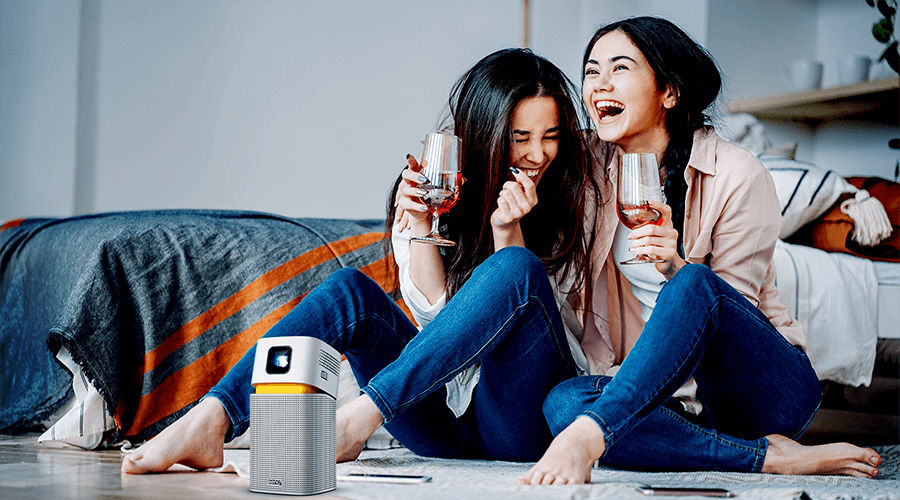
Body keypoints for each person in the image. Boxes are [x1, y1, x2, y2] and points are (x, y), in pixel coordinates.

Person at [121, 48, 599, 473]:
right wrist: (419, 230)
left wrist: (507, 234)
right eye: (521, 137)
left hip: (520, 421)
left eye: (550, 135)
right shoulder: (435, 190)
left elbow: (526, 324)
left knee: (516, 269)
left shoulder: (569, 199)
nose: (538, 153)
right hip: (440, 420)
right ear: (484, 137)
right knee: (349, 291)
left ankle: (359, 418)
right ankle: (211, 418)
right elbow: (437, 322)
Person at [517, 16, 882, 485]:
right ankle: (766, 458)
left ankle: (592, 437)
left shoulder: (738, 174)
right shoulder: (586, 164)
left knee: (691, 281)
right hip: (662, 394)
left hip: (760, 390)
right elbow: (519, 150)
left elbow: (725, 314)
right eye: (591, 70)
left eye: (620, 68)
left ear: (669, 92)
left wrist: (674, 266)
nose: (599, 84)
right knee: (563, 403)